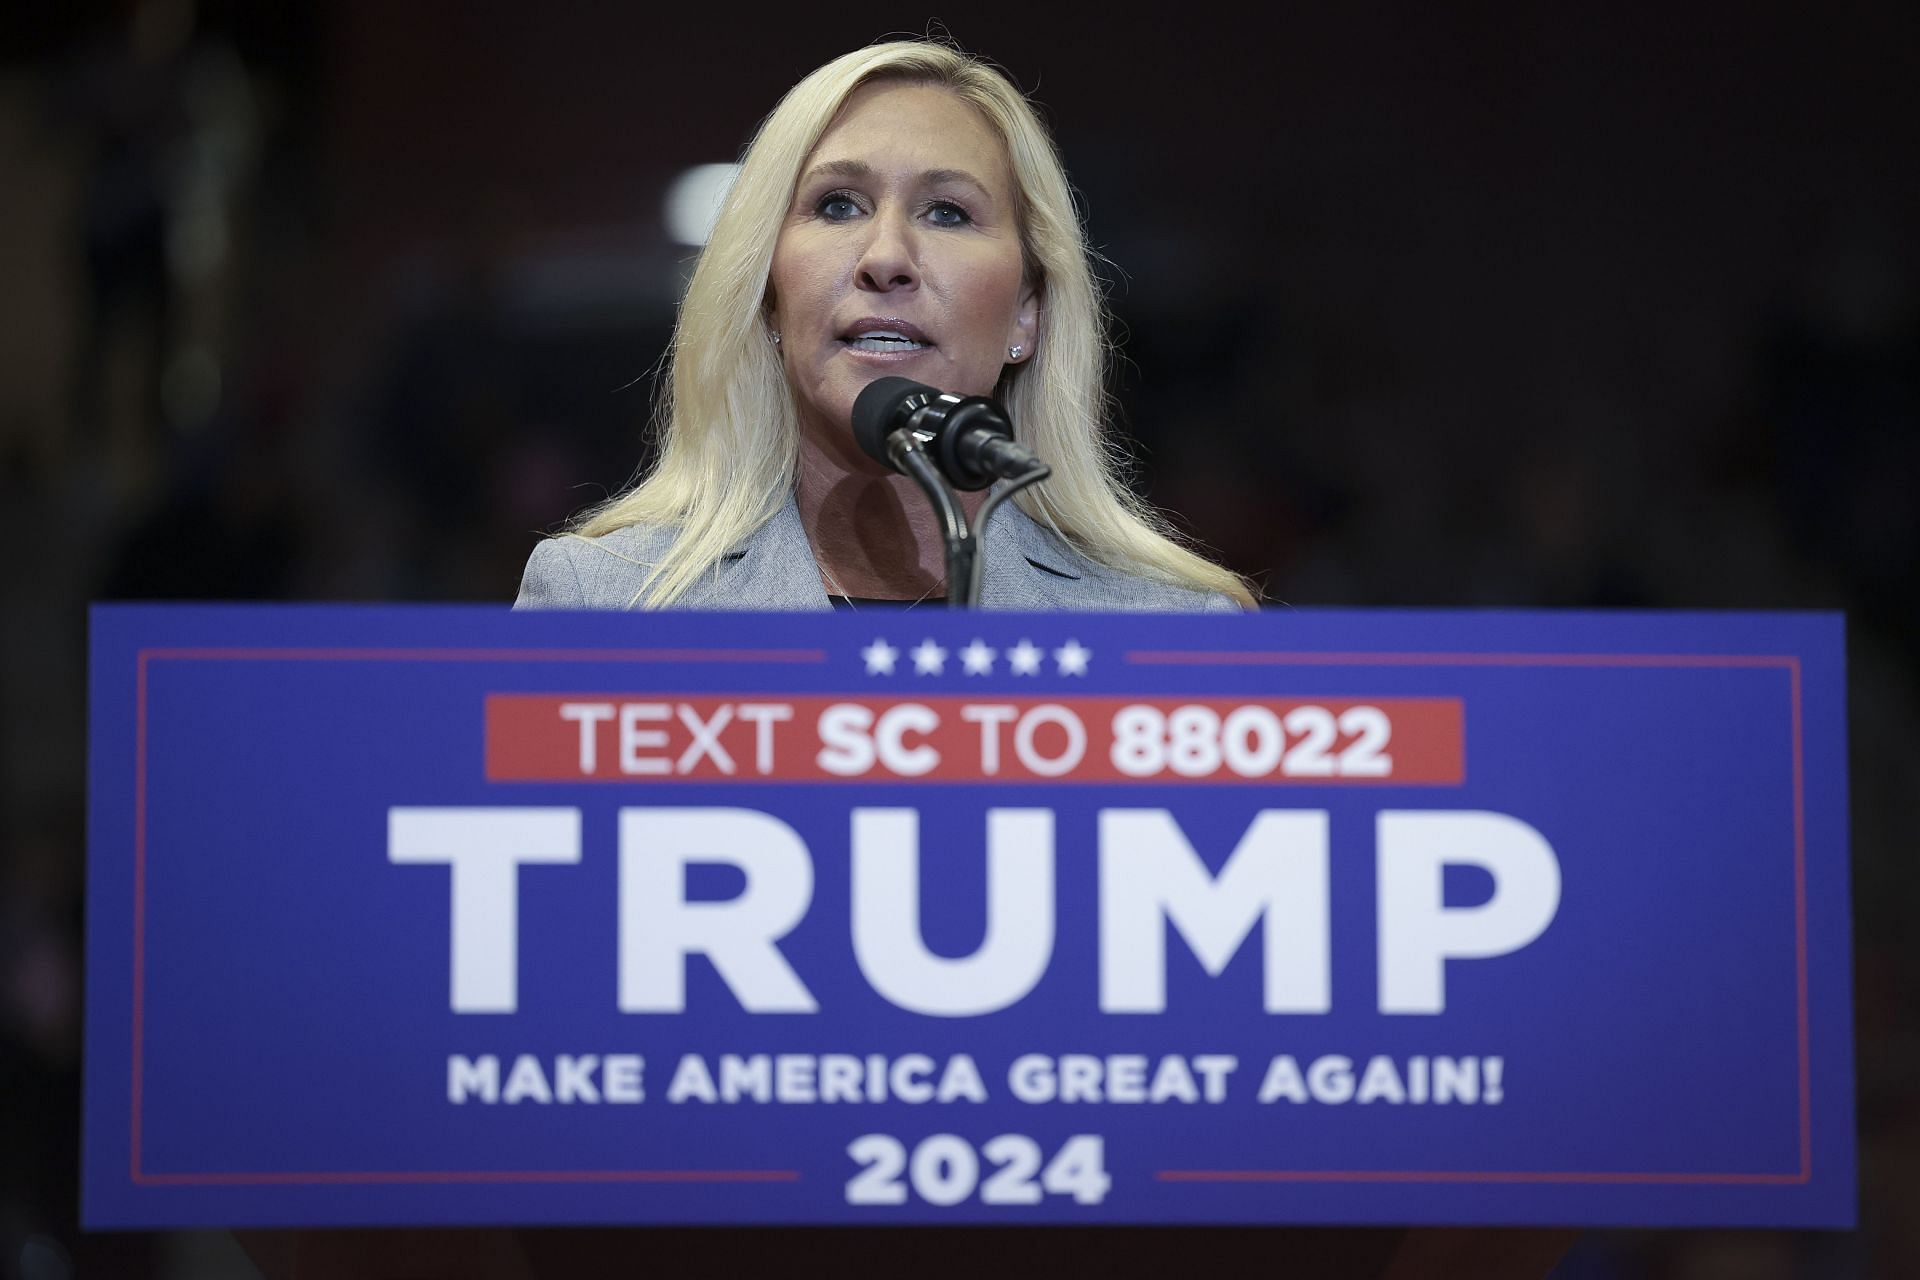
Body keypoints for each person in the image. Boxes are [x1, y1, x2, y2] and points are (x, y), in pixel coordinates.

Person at [514, 40, 1256, 613]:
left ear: (1026, 313)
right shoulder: (605, 608)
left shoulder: (1173, 629)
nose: (888, 257)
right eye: (838, 205)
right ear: (769, 294)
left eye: (948, 212)